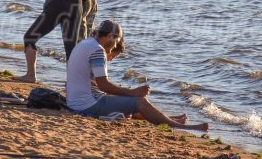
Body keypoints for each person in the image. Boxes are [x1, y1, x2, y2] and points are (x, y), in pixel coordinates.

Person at [66, 20, 209, 131]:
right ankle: (178, 126)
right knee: (140, 101)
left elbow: (97, 84)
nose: (115, 46)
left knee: (128, 99)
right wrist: (132, 92)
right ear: (110, 36)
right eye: (116, 41)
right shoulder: (98, 50)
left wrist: (128, 93)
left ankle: (167, 119)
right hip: (87, 105)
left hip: (76, 101)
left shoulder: (85, 43)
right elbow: (104, 85)